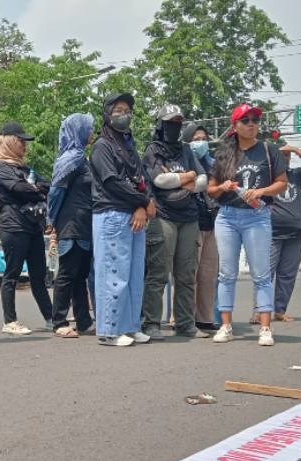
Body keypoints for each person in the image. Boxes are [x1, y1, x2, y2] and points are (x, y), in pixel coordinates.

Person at [206, 103, 287, 346]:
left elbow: (282, 183)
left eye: (255, 120)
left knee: (261, 273)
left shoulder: (268, 150)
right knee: (226, 273)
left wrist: (261, 191)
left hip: (257, 216)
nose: (252, 124)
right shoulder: (224, 154)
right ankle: (226, 325)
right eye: (246, 120)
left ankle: (265, 328)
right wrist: (222, 187)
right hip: (228, 216)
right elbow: (210, 189)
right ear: (235, 126)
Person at [91, 93, 156, 347]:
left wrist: (146, 201)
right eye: (118, 109)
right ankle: (109, 330)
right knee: (113, 273)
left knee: (134, 274)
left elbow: (142, 177)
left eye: (127, 110)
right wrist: (141, 202)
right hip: (111, 213)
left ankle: (130, 325)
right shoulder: (102, 146)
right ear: (107, 113)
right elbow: (111, 181)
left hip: (132, 214)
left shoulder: (128, 145)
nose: (124, 114)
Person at [141, 105, 208, 340]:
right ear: (161, 125)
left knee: (186, 274)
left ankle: (185, 324)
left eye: (179, 122)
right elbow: (159, 180)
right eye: (170, 122)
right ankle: (151, 324)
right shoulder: (153, 150)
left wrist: (185, 180)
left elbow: (203, 180)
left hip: (189, 217)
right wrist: (187, 177)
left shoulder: (186, 150)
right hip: (164, 217)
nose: (175, 127)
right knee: (158, 273)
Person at [0, 122, 53, 335]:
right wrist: (36, 189)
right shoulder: (0, 168)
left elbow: (48, 185)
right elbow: (18, 188)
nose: (25, 146)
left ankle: (51, 318)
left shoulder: (25, 168)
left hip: (34, 226)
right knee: (12, 274)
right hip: (14, 227)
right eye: (21, 141)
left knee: (39, 275)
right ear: (9, 141)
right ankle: (10, 321)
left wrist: (34, 189)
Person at [47, 113, 95, 338]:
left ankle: (83, 320)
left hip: (83, 223)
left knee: (80, 274)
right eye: (88, 128)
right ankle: (58, 321)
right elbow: (55, 192)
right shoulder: (71, 158)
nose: (92, 133)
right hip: (71, 224)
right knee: (67, 273)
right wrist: (51, 220)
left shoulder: (81, 158)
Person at [262, 145, 301, 322]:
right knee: (265, 273)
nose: (285, 158)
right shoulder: (265, 178)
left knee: (287, 274)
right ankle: (260, 310)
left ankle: (280, 310)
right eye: (281, 155)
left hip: (296, 233)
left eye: (287, 156)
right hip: (272, 233)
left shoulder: (295, 176)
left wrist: (294, 149)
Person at [183, 124, 221, 332]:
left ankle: (205, 318)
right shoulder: (184, 162)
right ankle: (184, 317)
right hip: (192, 222)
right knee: (190, 273)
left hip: (213, 222)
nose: (201, 142)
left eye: (204, 138)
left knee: (208, 274)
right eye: (196, 138)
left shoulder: (214, 165)